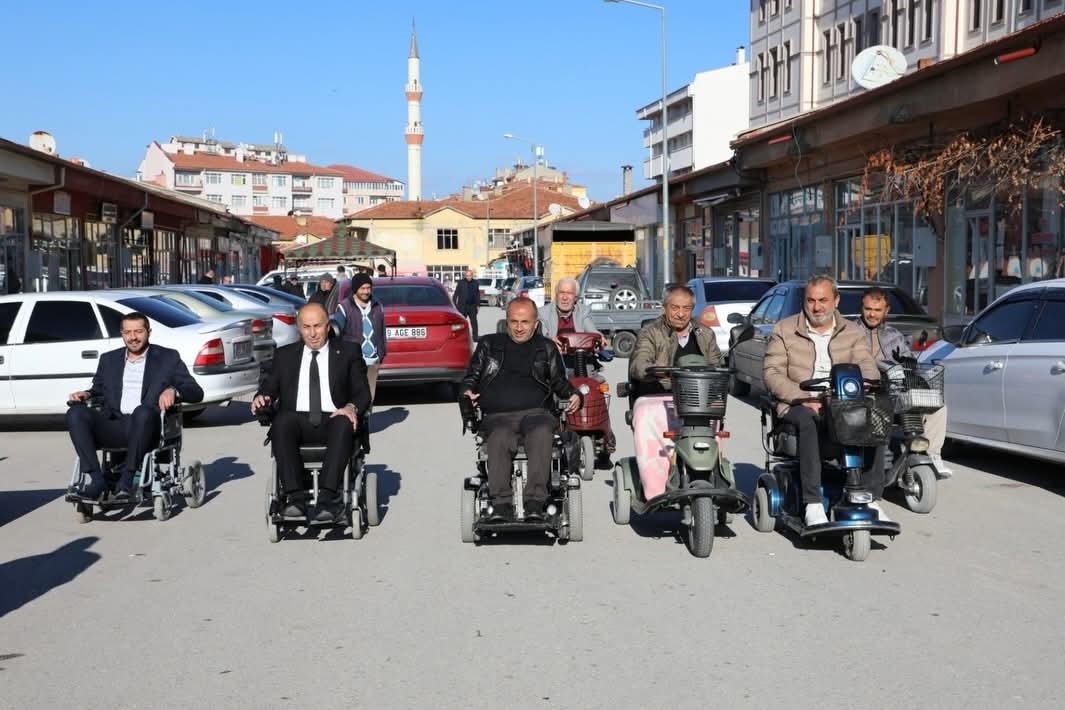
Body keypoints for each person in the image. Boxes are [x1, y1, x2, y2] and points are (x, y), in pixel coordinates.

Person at [763, 275, 884, 526]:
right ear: (804, 301)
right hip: (797, 403)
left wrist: (868, 387)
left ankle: (870, 497)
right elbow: (771, 373)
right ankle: (813, 502)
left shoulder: (851, 332)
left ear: (836, 301)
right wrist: (802, 397)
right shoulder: (784, 330)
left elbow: (866, 365)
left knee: (877, 414)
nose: (817, 307)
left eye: (823, 300)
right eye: (811, 300)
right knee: (809, 420)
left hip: (841, 401)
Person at [461, 297, 582, 522]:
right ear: (506, 322)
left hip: (537, 414)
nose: (518, 327)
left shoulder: (545, 347)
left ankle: (536, 502)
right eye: (513, 321)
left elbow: (558, 382)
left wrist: (575, 394)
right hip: (497, 416)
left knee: (540, 434)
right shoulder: (488, 345)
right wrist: (467, 391)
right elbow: (472, 377)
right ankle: (501, 505)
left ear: (535, 323)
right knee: (500, 437)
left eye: (525, 322)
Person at [251, 303, 370, 523]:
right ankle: (295, 499)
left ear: (328, 326)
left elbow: (363, 394)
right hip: (297, 421)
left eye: (317, 326)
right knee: (281, 422)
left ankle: (327, 500)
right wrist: (261, 397)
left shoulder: (347, 352)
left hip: (334, 419)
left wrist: (351, 407)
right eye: (306, 327)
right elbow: (269, 388)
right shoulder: (285, 355)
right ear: (299, 328)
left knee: (343, 422)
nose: (312, 333)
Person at [67, 312, 204, 500]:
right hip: (115, 424)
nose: (133, 337)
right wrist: (87, 394)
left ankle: (127, 480)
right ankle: (97, 481)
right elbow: (99, 389)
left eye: (139, 331)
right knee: (75, 413)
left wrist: (173, 390)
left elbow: (196, 392)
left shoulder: (167, 358)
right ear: (122, 334)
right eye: (128, 332)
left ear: (149, 332)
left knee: (143, 411)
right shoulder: (109, 360)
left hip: (148, 427)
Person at [627, 285, 723, 499]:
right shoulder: (650, 332)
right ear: (664, 308)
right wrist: (656, 372)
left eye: (686, 308)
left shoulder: (705, 334)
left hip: (697, 397)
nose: (681, 313)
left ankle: (713, 475)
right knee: (645, 415)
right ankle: (656, 489)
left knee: (714, 415)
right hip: (657, 394)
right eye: (675, 307)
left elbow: (718, 364)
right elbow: (638, 364)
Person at [856, 287, 952, 477]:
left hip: (895, 393)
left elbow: (909, 363)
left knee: (937, 406)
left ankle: (932, 454)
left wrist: (909, 362)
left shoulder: (894, 335)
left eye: (877, 310)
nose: (872, 314)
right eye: (868, 309)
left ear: (886, 311)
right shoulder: (850, 332)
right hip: (866, 393)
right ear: (862, 308)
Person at [334, 272, 387, 402]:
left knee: (369, 397)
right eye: (362, 288)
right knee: (354, 397)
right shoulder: (344, 307)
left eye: (368, 288)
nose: (366, 291)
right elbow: (337, 332)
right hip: (354, 360)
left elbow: (382, 330)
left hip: (373, 359)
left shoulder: (377, 306)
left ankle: (367, 420)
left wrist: (382, 352)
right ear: (355, 289)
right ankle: (355, 421)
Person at [537, 277, 602, 345]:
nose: (565, 297)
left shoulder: (583, 311)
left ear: (576, 298)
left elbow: (591, 330)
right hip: (554, 353)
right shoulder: (543, 313)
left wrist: (598, 336)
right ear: (556, 295)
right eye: (561, 292)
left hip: (579, 353)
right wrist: (551, 342)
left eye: (569, 293)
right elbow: (542, 337)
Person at [452, 269, 480, 340]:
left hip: (472, 306)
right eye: (467, 276)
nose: (468, 277)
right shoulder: (461, 283)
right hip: (462, 306)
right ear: (465, 276)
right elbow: (456, 294)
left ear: (472, 275)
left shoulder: (475, 283)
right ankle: (459, 337)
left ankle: (475, 337)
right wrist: (454, 304)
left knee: (474, 323)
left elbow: (477, 294)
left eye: (470, 275)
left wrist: (478, 305)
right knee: (460, 323)